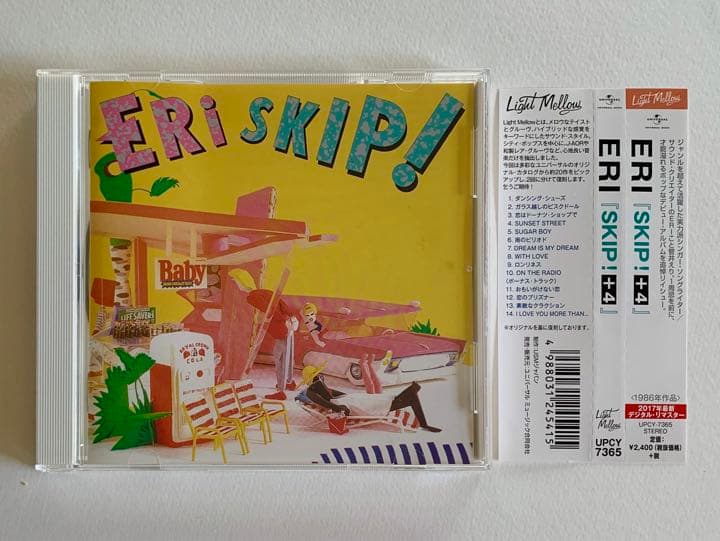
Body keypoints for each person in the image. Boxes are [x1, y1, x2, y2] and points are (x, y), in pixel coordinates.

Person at [296, 363, 441, 432]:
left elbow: (336, 394)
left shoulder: (319, 385)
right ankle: (410, 396)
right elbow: (329, 404)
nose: (321, 377)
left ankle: (419, 414)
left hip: (348, 399)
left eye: (320, 375)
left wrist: (345, 397)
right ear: (312, 379)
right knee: (376, 402)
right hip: (345, 405)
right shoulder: (311, 392)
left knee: (375, 398)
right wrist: (338, 407)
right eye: (317, 376)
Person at [247, 289, 298, 400]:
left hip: (283, 333)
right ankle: (289, 382)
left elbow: (265, 316)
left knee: (281, 361)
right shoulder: (272, 298)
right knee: (287, 359)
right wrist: (290, 316)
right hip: (288, 330)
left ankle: (281, 391)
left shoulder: (268, 310)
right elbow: (283, 307)